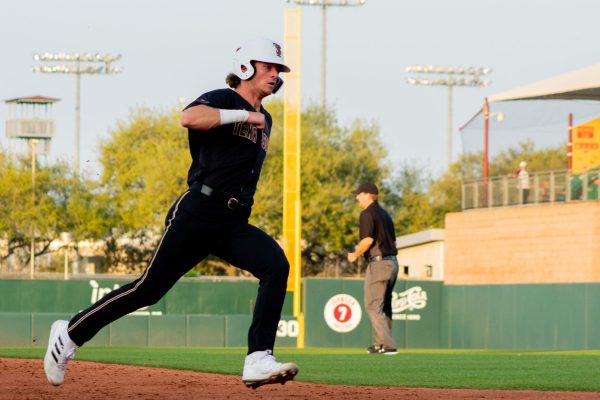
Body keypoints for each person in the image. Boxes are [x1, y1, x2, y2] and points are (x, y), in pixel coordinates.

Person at [43, 38, 298, 389]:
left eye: (278, 69)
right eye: (268, 66)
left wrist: (254, 117)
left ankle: (258, 358)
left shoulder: (265, 119)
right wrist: (243, 114)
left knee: (275, 264)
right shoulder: (226, 99)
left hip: (232, 221)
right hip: (199, 210)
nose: (275, 73)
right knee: (148, 290)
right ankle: (69, 335)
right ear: (246, 68)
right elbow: (189, 117)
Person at [347, 182, 399, 355]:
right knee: (384, 306)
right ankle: (381, 344)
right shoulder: (385, 214)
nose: (357, 197)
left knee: (372, 305)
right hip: (392, 262)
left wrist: (355, 254)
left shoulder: (367, 213)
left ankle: (389, 345)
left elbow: (368, 240)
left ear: (368, 194)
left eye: (359, 194)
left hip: (379, 263)